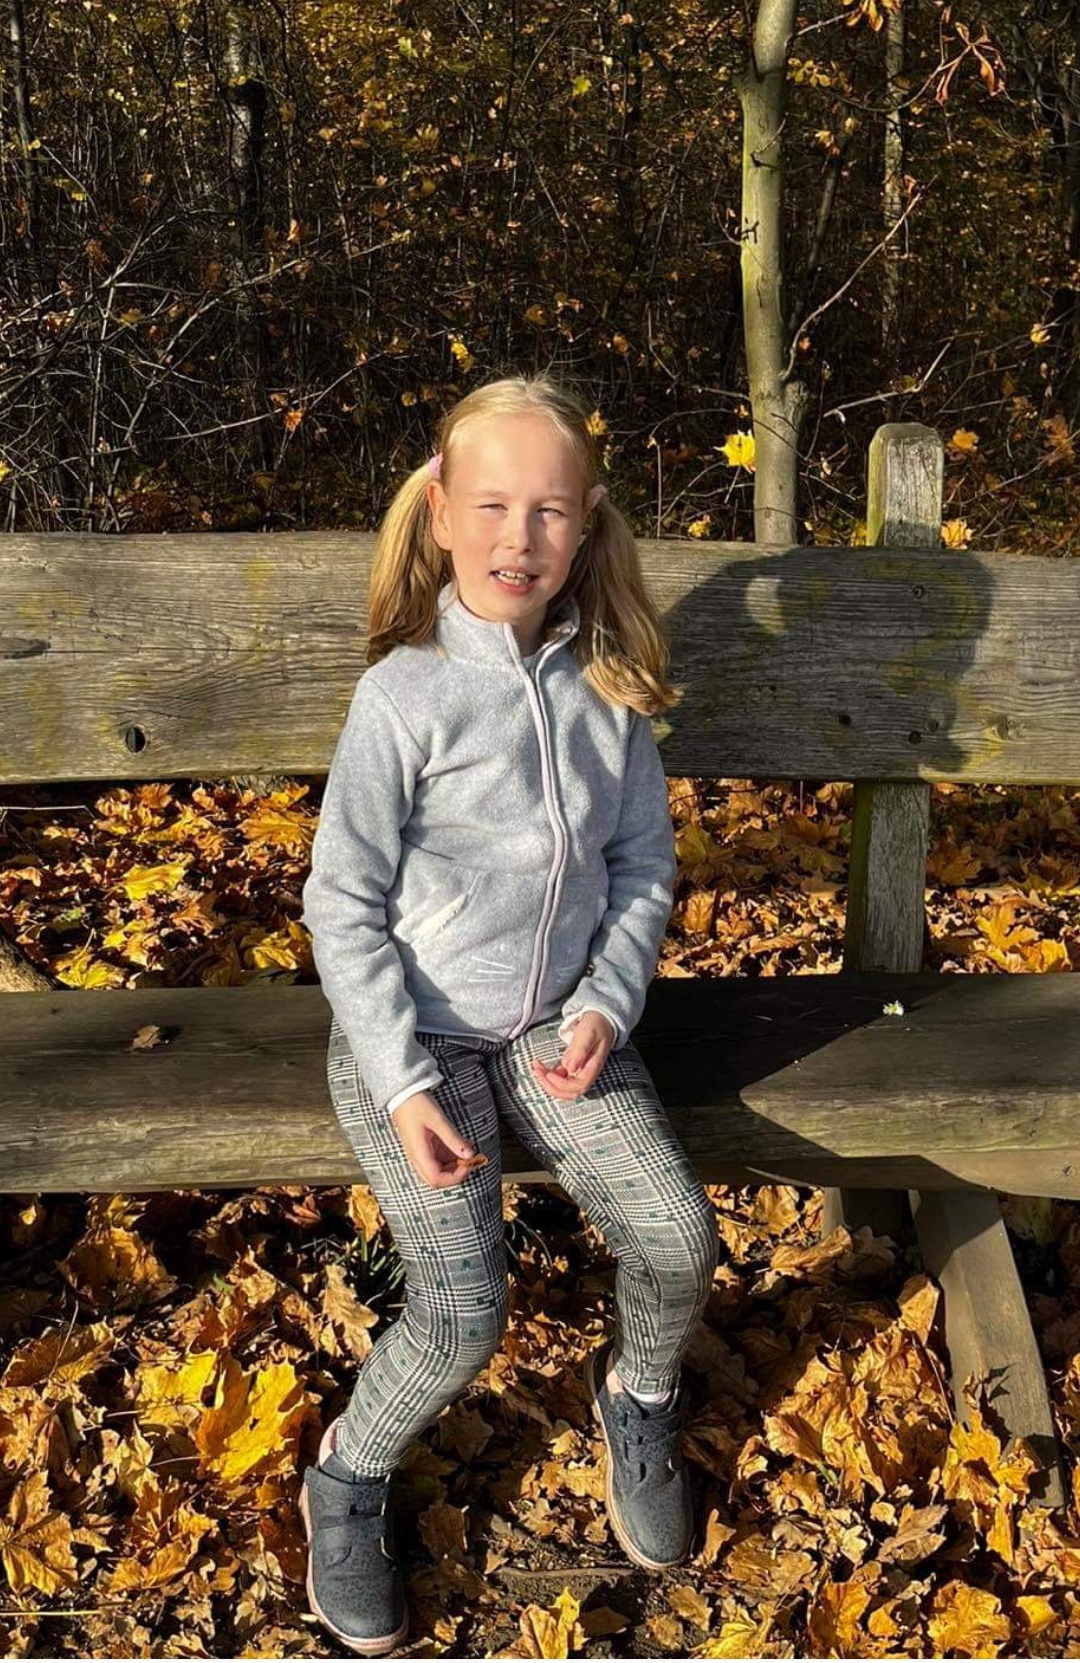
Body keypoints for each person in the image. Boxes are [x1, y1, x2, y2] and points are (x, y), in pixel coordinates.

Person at [299, 372, 719, 1656]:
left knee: (678, 1233)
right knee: (462, 1311)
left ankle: (636, 1391)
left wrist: (607, 998)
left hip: (558, 1029)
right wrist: (401, 1079)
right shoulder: (406, 695)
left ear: (586, 526)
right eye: (490, 505)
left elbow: (641, 865)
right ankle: (348, 1472)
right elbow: (340, 902)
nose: (517, 537)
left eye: (547, 510)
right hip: (417, 1039)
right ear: (440, 512)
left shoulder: (608, 684)